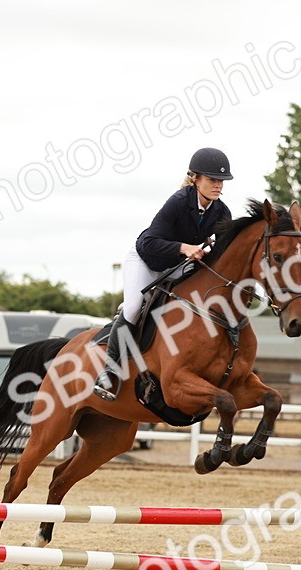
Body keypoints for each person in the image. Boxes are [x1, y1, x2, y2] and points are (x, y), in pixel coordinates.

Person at [93, 147, 234, 401]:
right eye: (213, 180)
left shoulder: (221, 213)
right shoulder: (178, 202)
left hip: (177, 266)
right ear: (196, 179)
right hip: (147, 260)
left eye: (221, 181)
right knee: (135, 306)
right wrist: (184, 247)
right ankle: (108, 372)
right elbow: (148, 242)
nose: (218, 186)